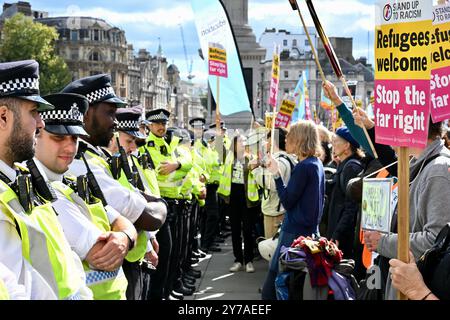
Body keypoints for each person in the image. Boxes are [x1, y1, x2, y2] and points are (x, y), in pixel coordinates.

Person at [62, 74, 167, 300]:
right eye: (109, 113)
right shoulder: (79, 164)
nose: (115, 121)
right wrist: (155, 207)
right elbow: (148, 216)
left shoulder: (94, 158)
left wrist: (129, 232)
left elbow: (118, 213)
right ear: (86, 111)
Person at [0, 60, 91, 300]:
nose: (41, 124)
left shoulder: (23, 179)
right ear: (3, 117)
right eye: (34, 112)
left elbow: (63, 255)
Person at [33, 92, 133, 299]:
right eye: (58, 137)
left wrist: (125, 236)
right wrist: (125, 236)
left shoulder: (68, 182)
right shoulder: (40, 191)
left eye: (75, 137)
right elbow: (101, 253)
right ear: (36, 135)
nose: (70, 147)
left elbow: (120, 220)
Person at [349, 101, 450, 300]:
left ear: (412, 124)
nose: (386, 131)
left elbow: (436, 241)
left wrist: (383, 241)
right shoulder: (418, 164)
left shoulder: (437, 171)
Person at [261, 120, 325, 300]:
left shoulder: (305, 167)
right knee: (293, 279)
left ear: (299, 139)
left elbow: (287, 201)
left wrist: (276, 175)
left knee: (278, 276)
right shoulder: (315, 163)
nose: (286, 139)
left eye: (290, 136)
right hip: (308, 230)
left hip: (295, 230)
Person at [218, 134, 260, 273]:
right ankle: (238, 260)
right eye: (240, 141)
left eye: (244, 141)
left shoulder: (252, 158)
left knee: (248, 230)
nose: (243, 143)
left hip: (247, 198)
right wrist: (219, 135)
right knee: (235, 231)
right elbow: (219, 148)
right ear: (234, 145)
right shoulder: (228, 156)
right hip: (233, 197)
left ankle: (248, 260)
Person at [325, 126, 364, 259]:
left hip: (343, 236)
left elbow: (350, 207)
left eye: (336, 142)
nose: (332, 145)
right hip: (337, 229)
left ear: (347, 145)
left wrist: (338, 234)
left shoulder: (351, 168)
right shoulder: (343, 164)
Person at [252, 128, 297, 239]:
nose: (264, 143)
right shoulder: (285, 158)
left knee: (272, 249)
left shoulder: (280, 161)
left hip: (275, 212)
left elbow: (272, 184)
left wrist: (255, 170)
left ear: (273, 141)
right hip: (278, 209)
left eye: (266, 139)